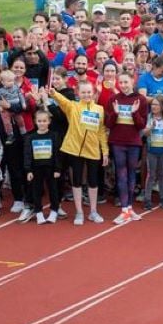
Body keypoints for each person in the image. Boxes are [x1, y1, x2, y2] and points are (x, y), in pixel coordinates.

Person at [48, 80, 109, 226]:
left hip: (93, 150)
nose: (87, 95)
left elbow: (101, 132)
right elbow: (62, 101)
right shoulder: (73, 107)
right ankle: (79, 212)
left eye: (89, 92)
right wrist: (53, 93)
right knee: (76, 181)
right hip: (74, 150)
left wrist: (105, 151)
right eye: (83, 92)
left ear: (94, 93)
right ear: (78, 93)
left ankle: (93, 211)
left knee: (93, 182)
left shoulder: (100, 109)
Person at [105, 73, 148, 225]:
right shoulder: (113, 99)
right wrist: (115, 114)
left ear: (132, 81)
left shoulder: (140, 100)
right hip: (118, 142)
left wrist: (134, 112)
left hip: (133, 142)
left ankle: (129, 208)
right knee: (121, 174)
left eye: (126, 82)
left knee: (131, 175)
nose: (123, 85)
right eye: (120, 82)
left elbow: (142, 125)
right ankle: (124, 209)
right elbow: (108, 124)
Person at [23, 109, 64, 224]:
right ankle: (38, 212)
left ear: (49, 122)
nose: (42, 123)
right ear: (35, 122)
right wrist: (28, 170)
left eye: (44, 121)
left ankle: (54, 210)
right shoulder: (31, 137)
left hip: (51, 168)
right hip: (36, 168)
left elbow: (57, 153)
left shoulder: (54, 136)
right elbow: (28, 154)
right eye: (39, 121)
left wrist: (57, 168)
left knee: (53, 190)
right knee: (36, 190)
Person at [142, 97, 163, 209]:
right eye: (152, 104)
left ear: (162, 106)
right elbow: (145, 133)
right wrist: (151, 127)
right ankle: (147, 199)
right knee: (151, 174)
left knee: (162, 174)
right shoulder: (149, 117)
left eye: (156, 105)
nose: (153, 107)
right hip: (152, 151)